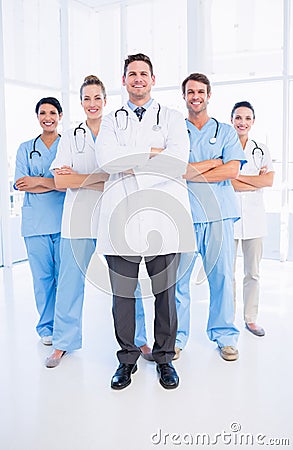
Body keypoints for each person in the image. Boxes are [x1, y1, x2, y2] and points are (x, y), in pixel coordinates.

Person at [95, 53, 195, 389]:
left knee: (165, 294)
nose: (138, 79)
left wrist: (131, 157)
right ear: (123, 80)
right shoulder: (110, 120)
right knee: (123, 296)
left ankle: (165, 359)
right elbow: (107, 160)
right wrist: (153, 153)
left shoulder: (171, 116)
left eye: (144, 74)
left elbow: (178, 159)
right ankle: (127, 360)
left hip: (162, 217)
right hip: (121, 216)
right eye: (132, 74)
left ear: (153, 79)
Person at [45, 76, 151, 368]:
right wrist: (105, 176)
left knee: (128, 284)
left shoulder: (119, 132)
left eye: (97, 98)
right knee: (69, 283)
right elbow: (59, 180)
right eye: (86, 99)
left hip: (113, 216)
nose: (92, 104)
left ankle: (139, 338)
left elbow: (131, 170)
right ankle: (63, 343)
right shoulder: (70, 135)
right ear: (81, 103)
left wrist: (79, 180)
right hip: (77, 220)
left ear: (105, 101)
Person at [174, 73, 246, 362]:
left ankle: (225, 336)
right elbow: (177, 170)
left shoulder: (226, 131)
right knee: (178, 281)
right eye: (190, 92)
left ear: (208, 94)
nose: (195, 96)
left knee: (222, 278)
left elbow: (233, 171)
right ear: (184, 96)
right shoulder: (176, 131)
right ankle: (177, 338)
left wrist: (195, 171)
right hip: (185, 215)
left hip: (220, 216)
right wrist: (215, 163)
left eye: (200, 91)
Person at [14, 97, 65, 345]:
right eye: (43, 112)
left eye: (52, 112)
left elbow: (69, 185)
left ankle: (64, 326)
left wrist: (38, 181)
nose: (48, 117)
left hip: (65, 223)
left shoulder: (68, 147)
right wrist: (53, 183)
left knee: (64, 279)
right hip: (35, 225)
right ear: (37, 117)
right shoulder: (25, 148)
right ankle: (47, 327)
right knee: (43, 280)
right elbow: (21, 183)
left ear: (60, 116)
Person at [230, 101, 274, 337]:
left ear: (253, 121)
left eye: (247, 118)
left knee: (253, 273)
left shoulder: (261, 148)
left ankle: (251, 318)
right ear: (232, 120)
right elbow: (226, 181)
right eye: (238, 117)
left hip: (255, 219)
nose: (242, 122)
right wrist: (253, 180)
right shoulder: (226, 148)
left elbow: (268, 181)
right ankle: (229, 320)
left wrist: (241, 181)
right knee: (229, 274)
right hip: (231, 218)